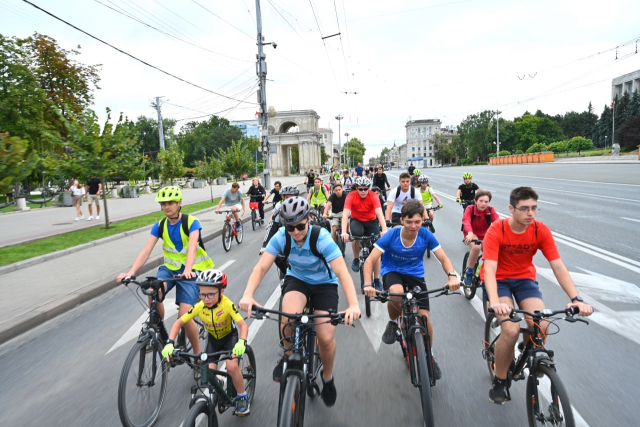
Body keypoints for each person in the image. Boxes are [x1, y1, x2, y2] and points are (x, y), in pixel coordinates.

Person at [239, 196, 361, 407]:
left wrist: (353, 305)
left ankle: (327, 377)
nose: (295, 232)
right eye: (290, 228)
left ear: (308, 219)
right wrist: (248, 294)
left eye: (300, 226)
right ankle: (288, 356)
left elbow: (342, 272)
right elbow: (260, 268)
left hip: (325, 284)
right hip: (298, 280)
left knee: (324, 338)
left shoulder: (321, 237)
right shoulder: (281, 236)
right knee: (288, 319)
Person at [483, 187, 593, 404]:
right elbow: (489, 270)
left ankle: (527, 350)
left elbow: (558, 266)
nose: (530, 213)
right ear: (511, 209)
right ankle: (500, 379)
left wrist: (576, 299)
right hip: (499, 281)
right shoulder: (497, 230)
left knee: (541, 325)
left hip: (524, 280)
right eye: (524, 209)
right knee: (511, 328)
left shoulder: (539, 230)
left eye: (534, 208)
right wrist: (495, 302)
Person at [362, 199, 460, 380]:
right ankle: (392, 323)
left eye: (418, 221)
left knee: (425, 318)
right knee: (397, 293)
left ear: (423, 220)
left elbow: (443, 258)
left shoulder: (425, 235)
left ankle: (429, 355)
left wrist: (452, 275)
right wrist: (368, 284)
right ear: (402, 221)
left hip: (415, 274)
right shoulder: (391, 235)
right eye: (409, 222)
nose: (413, 226)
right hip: (392, 271)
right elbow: (369, 261)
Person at [116, 186, 214, 357]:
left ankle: (198, 359)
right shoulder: (160, 226)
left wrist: (189, 270)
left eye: (170, 203)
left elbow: (191, 249)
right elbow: (146, 251)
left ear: (179, 203)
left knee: (185, 315)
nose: (167, 206)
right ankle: (159, 331)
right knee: (152, 290)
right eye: (163, 204)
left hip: (193, 271)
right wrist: (131, 273)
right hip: (169, 270)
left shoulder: (191, 222)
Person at [161, 269, 250, 415]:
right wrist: (170, 343)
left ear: (221, 292)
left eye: (210, 294)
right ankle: (218, 383)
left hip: (230, 338)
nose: (206, 298)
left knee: (232, 367)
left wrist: (242, 342)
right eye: (202, 294)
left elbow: (243, 325)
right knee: (207, 372)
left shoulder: (227, 305)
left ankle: (242, 396)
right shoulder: (200, 307)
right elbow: (178, 323)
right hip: (214, 341)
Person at [341, 177, 387, 289]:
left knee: (376, 249)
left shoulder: (373, 196)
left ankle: (376, 279)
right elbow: (345, 215)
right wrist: (343, 232)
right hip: (357, 220)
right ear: (356, 188)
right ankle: (356, 259)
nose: (363, 191)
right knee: (356, 235)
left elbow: (380, 214)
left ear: (369, 188)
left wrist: (384, 230)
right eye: (360, 189)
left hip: (371, 221)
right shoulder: (351, 196)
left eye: (365, 189)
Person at [461, 189, 499, 286]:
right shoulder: (470, 208)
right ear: (475, 201)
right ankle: (469, 272)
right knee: (477, 247)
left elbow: (498, 223)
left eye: (486, 201)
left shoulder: (491, 210)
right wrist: (469, 232)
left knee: (492, 252)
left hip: (485, 234)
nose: (483, 204)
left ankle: (481, 270)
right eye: (481, 201)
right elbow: (466, 220)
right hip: (471, 233)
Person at [259, 184, 300, 255]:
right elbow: (273, 221)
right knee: (272, 225)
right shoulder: (279, 205)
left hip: (299, 236)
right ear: (282, 197)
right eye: (287, 197)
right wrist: (264, 246)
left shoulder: (301, 205)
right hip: (283, 230)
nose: (289, 199)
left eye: (292, 197)